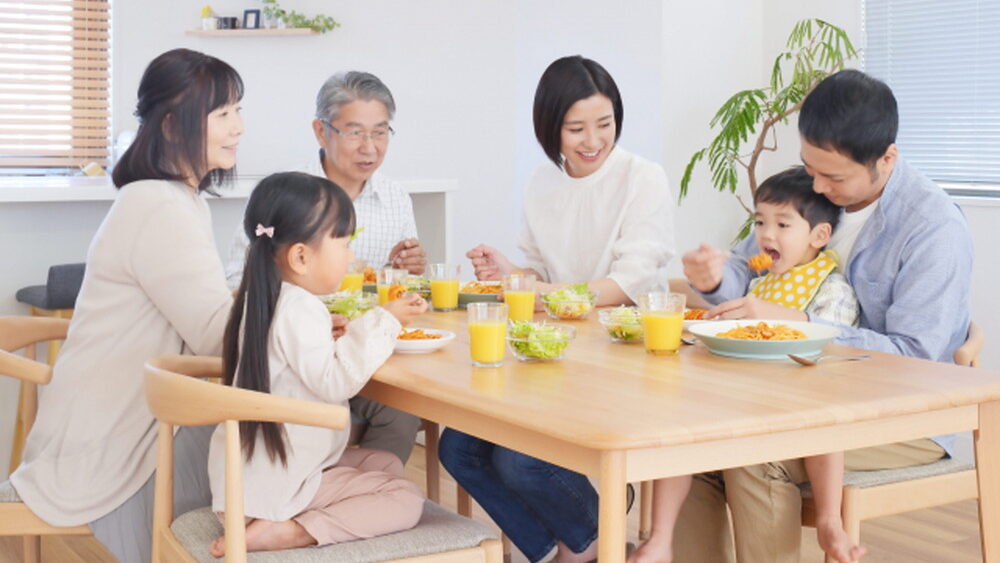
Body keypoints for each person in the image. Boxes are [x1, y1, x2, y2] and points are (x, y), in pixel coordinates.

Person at [675, 69, 974, 563]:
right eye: (810, 167)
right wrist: (711, 277)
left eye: (833, 176)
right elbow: (750, 271)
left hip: (905, 415)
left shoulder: (933, 228)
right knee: (691, 443)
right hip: (798, 398)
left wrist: (798, 327)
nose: (817, 184)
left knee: (756, 452)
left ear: (886, 158)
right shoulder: (810, 194)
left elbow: (916, 358)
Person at [10, 48, 244, 562]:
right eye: (222, 113)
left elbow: (198, 312)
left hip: (101, 423)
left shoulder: (165, 199)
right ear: (171, 124)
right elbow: (215, 336)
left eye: (237, 111)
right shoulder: (161, 206)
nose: (238, 127)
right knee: (284, 420)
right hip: (112, 443)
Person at [440, 55, 675, 563]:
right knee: (458, 449)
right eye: (576, 129)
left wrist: (543, 293)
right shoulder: (541, 184)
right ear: (551, 128)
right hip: (559, 356)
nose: (592, 141)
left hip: (627, 357)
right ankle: (564, 549)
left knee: (522, 459)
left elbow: (628, 284)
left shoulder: (642, 178)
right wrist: (510, 276)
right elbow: (542, 278)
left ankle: (592, 537)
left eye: (604, 124)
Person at [630, 167, 865, 563]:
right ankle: (662, 536)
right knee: (682, 426)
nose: (766, 234)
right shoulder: (760, 284)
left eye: (782, 224)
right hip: (747, 397)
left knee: (826, 425)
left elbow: (834, 358)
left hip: (808, 404)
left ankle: (829, 519)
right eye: (760, 222)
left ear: (819, 236)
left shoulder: (831, 292)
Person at [207, 172, 426, 556]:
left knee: (384, 462)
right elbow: (335, 381)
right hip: (275, 491)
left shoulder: (261, 298)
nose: (352, 255)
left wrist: (327, 331)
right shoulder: (300, 306)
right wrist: (385, 319)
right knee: (405, 497)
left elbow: (290, 356)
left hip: (243, 485)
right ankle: (290, 531)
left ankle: (284, 522)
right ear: (301, 256)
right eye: (344, 243)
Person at [224, 71, 423, 464]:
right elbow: (238, 283)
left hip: (365, 351)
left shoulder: (396, 198)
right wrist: (317, 316)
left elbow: (391, 285)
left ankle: (366, 494)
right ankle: (345, 496)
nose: (370, 147)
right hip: (299, 362)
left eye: (380, 132)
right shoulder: (288, 196)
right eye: (355, 132)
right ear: (321, 131)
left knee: (403, 409)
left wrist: (404, 269)